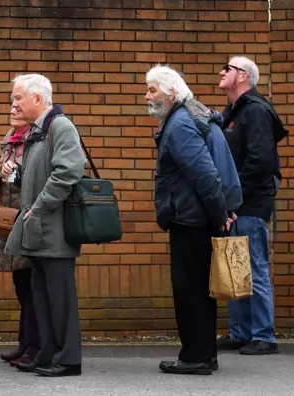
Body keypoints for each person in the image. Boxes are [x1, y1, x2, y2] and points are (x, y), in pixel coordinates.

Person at [146, 65, 237, 375]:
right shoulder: (190, 116)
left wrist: (220, 214)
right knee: (199, 289)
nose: (148, 96)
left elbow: (204, 174)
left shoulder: (181, 124)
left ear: (171, 93)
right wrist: (221, 212)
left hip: (189, 218)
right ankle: (204, 354)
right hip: (197, 215)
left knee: (189, 290)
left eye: (153, 90)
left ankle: (195, 357)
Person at [4, 74, 84, 377]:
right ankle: (47, 354)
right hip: (38, 233)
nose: (13, 104)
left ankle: (68, 360)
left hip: (54, 233)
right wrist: (17, 173)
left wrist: (38, 207)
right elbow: (40, 174)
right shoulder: (39, 131)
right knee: (42, 297)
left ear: (38, 99)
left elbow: (68, 172)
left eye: (18, 97)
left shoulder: (60, 127)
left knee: (60, 300)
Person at [217, 56, 289, 355]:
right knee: (236, 266)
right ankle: (241, 332)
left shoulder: (256, 111)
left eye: (228, 68)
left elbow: (258, 162)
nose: (221, 72)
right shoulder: (233, 111)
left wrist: (234, 200)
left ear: (243, 76)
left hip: (251, 204)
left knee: (254, 267)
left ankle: (264, 336)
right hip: (236, 204)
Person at [0, 109, 40, 367]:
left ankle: (34, 347)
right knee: (21, 285)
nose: (12, 109)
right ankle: (24, 343)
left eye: (18, 105)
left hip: (26, 218)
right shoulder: (10, 140)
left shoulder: (35, 141)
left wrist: (16, 172)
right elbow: (9, 181)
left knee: (30, 287)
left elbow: (35, 177)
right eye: (11, 104)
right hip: (9, 219)